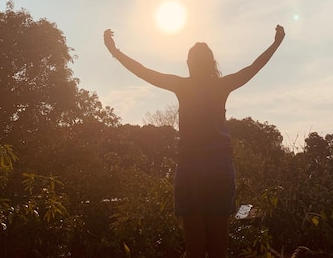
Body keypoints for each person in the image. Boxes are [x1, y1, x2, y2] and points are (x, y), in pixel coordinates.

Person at [103, 25, 285, 258]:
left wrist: (115, 51)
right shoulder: (221, 86)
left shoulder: (182, 85)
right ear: (212, 64)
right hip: (219, 168)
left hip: (191, 169)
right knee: (219, 249)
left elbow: (143, 71)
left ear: (189, 63)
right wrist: (276, 43)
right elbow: (253, 68)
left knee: (195, 248)